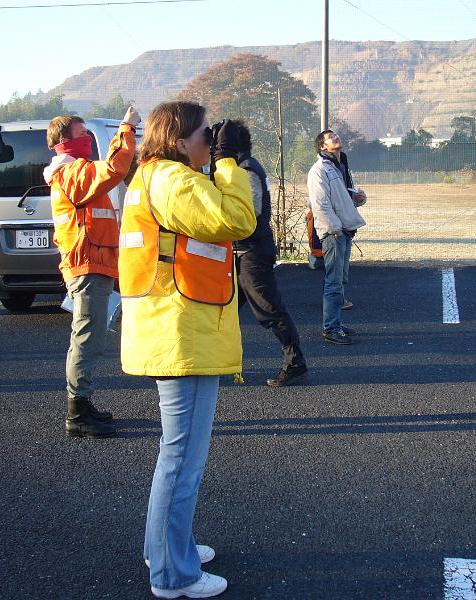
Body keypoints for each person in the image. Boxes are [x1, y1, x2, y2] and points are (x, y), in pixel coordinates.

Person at [118, 102, 255, 598]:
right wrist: (229, 162)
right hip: (182, 334)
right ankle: (172, 574)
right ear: (179, 140)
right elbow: (237, 218)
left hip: (174, 327)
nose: (209, 142)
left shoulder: (153, 176)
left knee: (176, 457)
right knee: (180, 460)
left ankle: (169, 547)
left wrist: (217, 160)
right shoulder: (176, 181)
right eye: (204, 135)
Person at [43, 107, 140, 438]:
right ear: (63, 142)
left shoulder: (73, 173)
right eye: (83, 135)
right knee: (87, 336)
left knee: (90, 334)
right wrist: (126, 128)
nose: (87, 140)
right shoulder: (71, 173)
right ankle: (77, 412)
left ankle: (82, 404)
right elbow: (114, 167)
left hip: (93, 264)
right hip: (86, 265)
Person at [231, 120, 308, 387]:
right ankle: (224, 364)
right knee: (225, 311)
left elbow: (252, 213)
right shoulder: (244, 167)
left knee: (269, 310)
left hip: (251, 252)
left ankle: (295, 363)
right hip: (243, 252)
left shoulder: (246, 170)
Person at [306, 129, 367, 345]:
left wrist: (359, 198)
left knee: (340, 279)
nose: (336, 137)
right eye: (330, 137)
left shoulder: (341, 166)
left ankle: (336, 323)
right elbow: (320, 204)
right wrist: (335, 229)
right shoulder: (319, 170)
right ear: (322, 146)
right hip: (334, 233)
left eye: (335, 135)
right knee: (333, 281)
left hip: (345, 230)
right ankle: (331, 328)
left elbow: (344, 198)